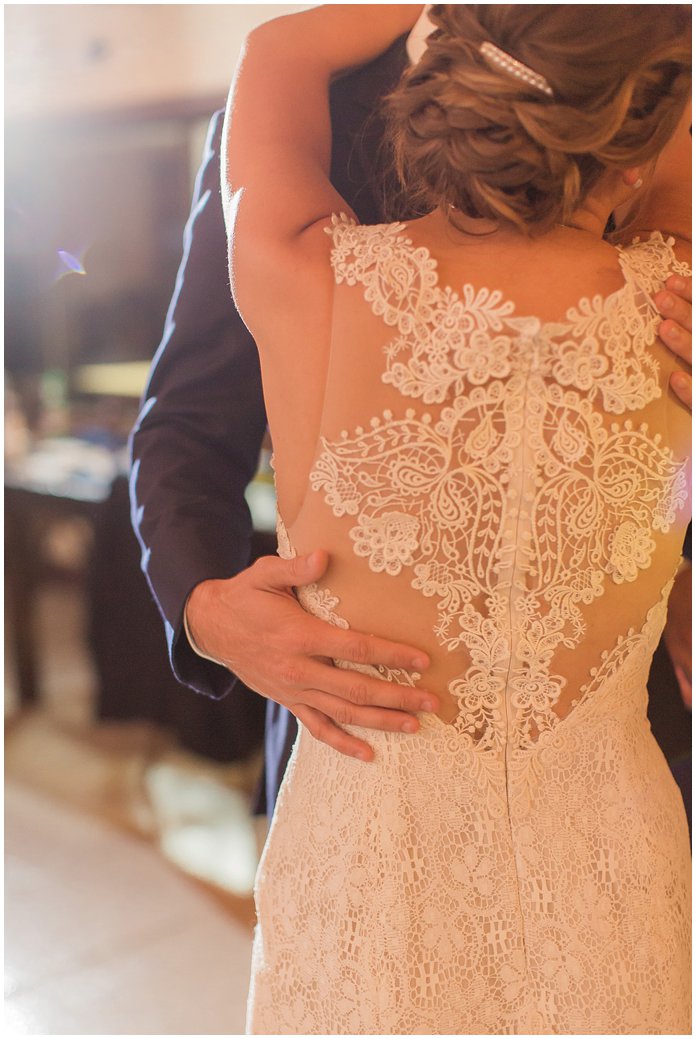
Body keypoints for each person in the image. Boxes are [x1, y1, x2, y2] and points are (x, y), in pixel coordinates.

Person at [221, 3, 691, 1033]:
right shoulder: (679, 303)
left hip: (370, 886)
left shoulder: (311, 282)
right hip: (614, 881)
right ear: (646, 136)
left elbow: (276, 50)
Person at [130, 5, 693, 820]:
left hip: (629, 736)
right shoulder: (324, 104)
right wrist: (207, 607)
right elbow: (185, 424)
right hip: (352, 734)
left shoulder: (665, 90)